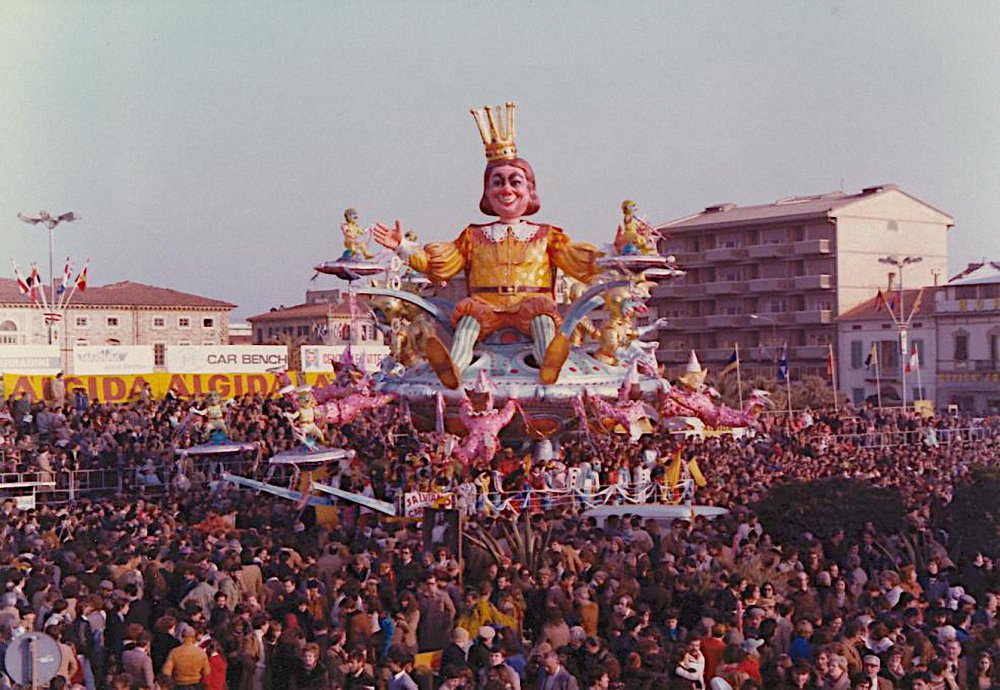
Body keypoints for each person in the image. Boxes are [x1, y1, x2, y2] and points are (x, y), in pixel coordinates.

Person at [373, 102, 602, 388]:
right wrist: (402, 247)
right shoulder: (473, 236)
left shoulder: (546, 235)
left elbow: (579, 260)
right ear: (487, 191)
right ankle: (453, 367)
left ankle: (549, 363)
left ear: (529, 190)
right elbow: (438, 265)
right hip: (485, 307)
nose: (506, 189)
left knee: (543, 321)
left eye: (515, 182)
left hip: (531, 305)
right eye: (498, 182)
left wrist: (615, 255)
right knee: (467, 325)